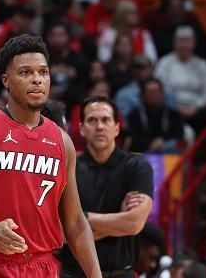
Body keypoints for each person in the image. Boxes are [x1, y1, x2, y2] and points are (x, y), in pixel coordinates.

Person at [0, 34, 102, 277]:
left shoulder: (62, 141)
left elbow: (75, 222)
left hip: (44, 267)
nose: (37, 79)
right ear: (6, 80)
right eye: (26, 72)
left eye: (43, 72)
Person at [58, 96, 154, 278]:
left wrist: (79, 222)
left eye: (106, 120)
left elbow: (133, 223)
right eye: (92, 120)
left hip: (121, 272)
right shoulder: (67, 166)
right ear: (81, 129)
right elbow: (58, 232)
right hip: (71, 274)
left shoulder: (137, 166)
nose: (100, 126)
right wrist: (118, 222)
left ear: (117, 127)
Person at [127, 78, 184, 154]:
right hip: (144, 152)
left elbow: (178, 133)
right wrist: (150, 143)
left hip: (167, 150)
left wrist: (163, 139)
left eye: (157, 92)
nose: (154, 96)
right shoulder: (134, 115)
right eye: (151, 92)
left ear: (162, 94)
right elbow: (133, 137)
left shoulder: (173, 114)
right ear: (143, 95)